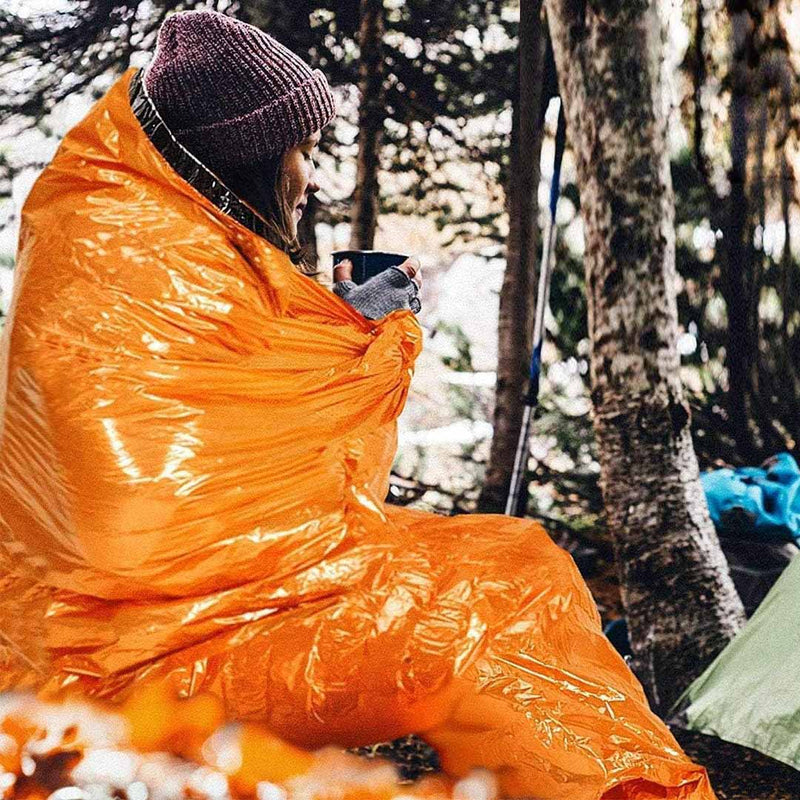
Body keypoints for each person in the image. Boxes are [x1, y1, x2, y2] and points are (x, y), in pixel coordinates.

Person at [0, 11, 716, 800]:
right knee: (486, 611)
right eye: (300, 153)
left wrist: (341, 323)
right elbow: (164, 515)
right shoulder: (132, 245)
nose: (309, 176)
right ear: (245, 159)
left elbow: (233, 407)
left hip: (174, 615)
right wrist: (365, 343)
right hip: (130, 656)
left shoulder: (145, 226)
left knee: (519, 563)